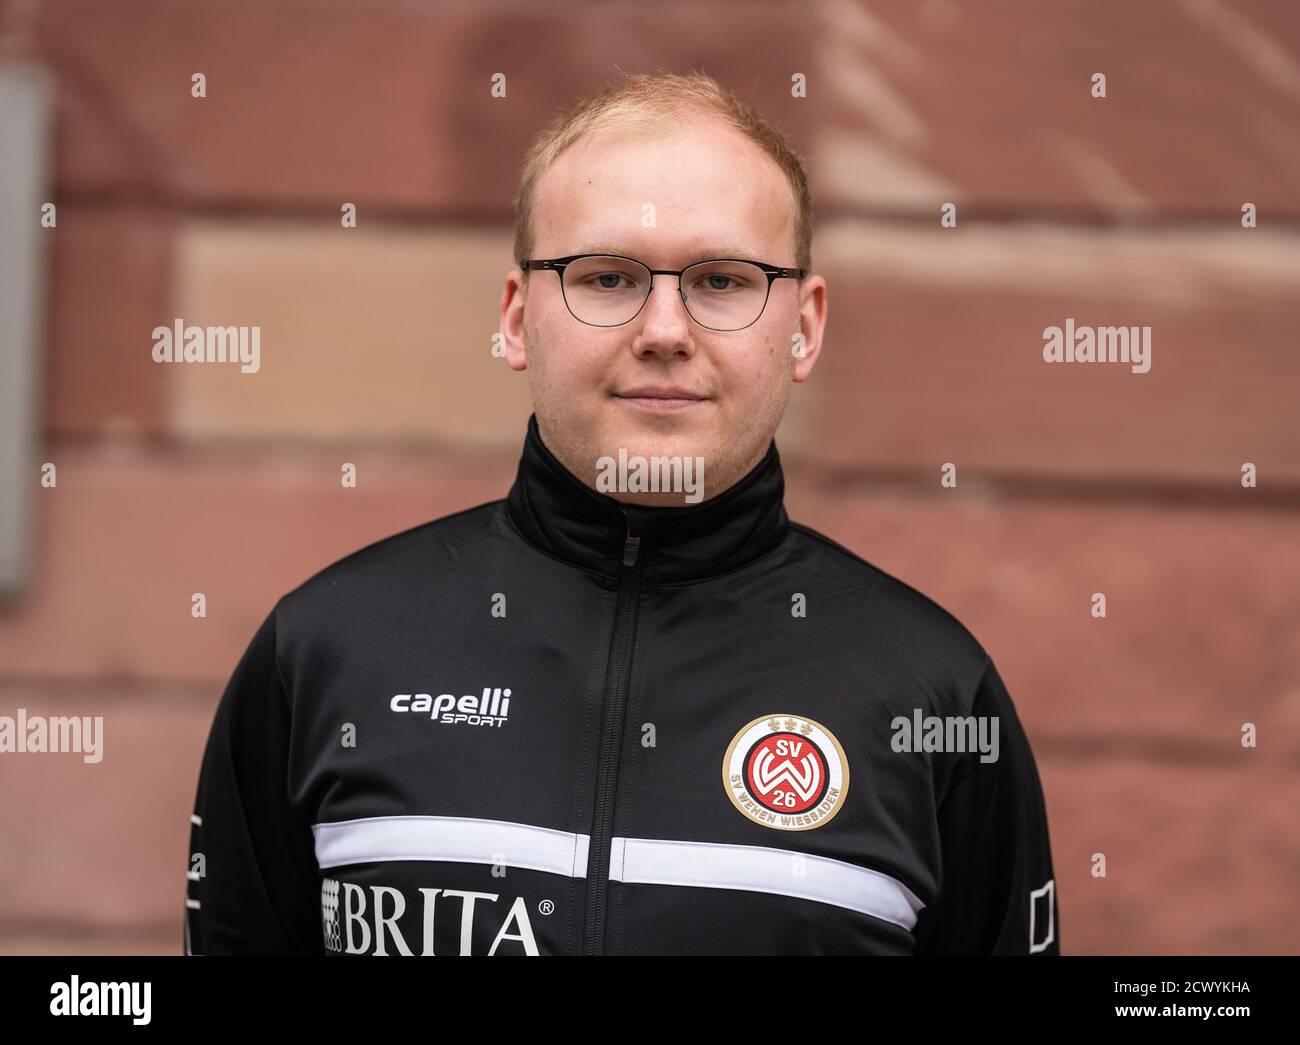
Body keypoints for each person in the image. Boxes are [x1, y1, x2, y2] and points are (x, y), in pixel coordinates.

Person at [184, 70, 1059, 956]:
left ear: (804, 326)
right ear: (518, 318)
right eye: (606, 278)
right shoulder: (324, 652)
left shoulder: (937, 693)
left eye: (722, 280)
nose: (665, 329)